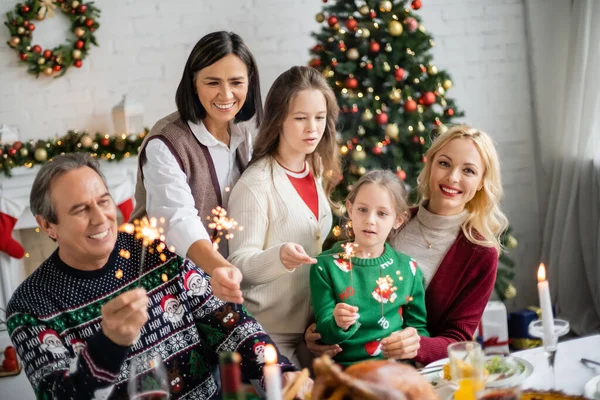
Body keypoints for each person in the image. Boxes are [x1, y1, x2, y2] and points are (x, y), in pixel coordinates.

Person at [6, 153, 311, 399]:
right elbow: (58, 394)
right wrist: (108, 346)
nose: (100, 218)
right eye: (80, 210)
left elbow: (228, 323)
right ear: (48, 226)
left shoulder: (155, 250)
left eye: (103, 201)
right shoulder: (31, 307)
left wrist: (279, 372)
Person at [305, 125, 508, 366]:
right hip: (350, 367)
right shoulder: (388, 221)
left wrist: (416, 345)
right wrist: (317, 332)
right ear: (430, 165)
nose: (453, 177)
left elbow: (459, 340)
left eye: (468, 170)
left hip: (422, 373)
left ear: (482, 182)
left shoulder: (480, 253)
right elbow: (341, 284)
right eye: (444, 163)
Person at [130, 31, 264, 305]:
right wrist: (221, 269)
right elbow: (178, 221)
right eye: (212, 82)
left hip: (222, 284)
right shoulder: (165, 143)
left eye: (236, 82)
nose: (226, 94)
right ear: (193, 83)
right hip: (167, 290)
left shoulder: (243, 135)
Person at [227, 66, 341, 368]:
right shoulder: (256, 184)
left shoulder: (315, 169)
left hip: (309, 334)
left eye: (319, 118)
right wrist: (279, 258)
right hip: (266, 337)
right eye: (300, 118)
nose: (312, 129)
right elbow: (237, 267)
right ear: (278, 119)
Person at [310, 170, 429, 366]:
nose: (370, 220)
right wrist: (337, 323)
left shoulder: (409, 269)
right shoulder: (325, 266)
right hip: (347, 374)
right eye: (362, 209)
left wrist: (410, 342)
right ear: (350, 208)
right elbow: (325, 334)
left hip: (396, 372)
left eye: (382, 213)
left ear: (398, 220)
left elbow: (418, 329)